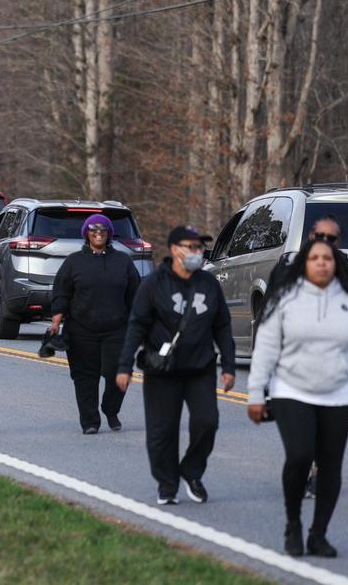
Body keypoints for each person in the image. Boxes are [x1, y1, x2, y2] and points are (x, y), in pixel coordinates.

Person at [247, 238, 348, 558]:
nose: (321, 263)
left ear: (336, 264)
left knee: (330, 467)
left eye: (327, 258)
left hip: (339, 395)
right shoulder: (286, 300)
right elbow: (265, 348)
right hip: (291, 391)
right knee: (299, 456)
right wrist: (255, 393)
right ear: (304, 265)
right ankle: (292, 523)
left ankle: (318, 534)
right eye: (314, 258)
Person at [117, 226, 235, 506]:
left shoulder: (208, 283)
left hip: (200, 368)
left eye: (199, 247)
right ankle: (167, 484)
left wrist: (228, 366)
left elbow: (222, 325)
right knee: (162, 432)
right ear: (174, 250)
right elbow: (136, 326)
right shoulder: (154, 284)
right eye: (191, 247)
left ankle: (191, 472)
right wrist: (124, 366)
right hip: (163, 371)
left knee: (207, 422)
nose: (197, 252)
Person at [51, 214, 141, 434]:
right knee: (84, 377)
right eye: (93, 229)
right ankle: (90, 421)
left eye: (103, 230)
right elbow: (61, 293)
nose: (98, 233)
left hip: (117, 329)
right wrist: (56, 320)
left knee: (119, 374)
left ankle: (110, 409)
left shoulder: (123, 261)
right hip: (81, 330)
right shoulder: (73, 262)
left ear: (109, 234)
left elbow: (136, 296)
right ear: (86, 234)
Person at [268, 215, 348, 311]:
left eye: (331, 238)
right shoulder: (288, 267)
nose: (325, 241)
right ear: (311, 236)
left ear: (338, 241)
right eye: (320, 236)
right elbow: (267, 311)